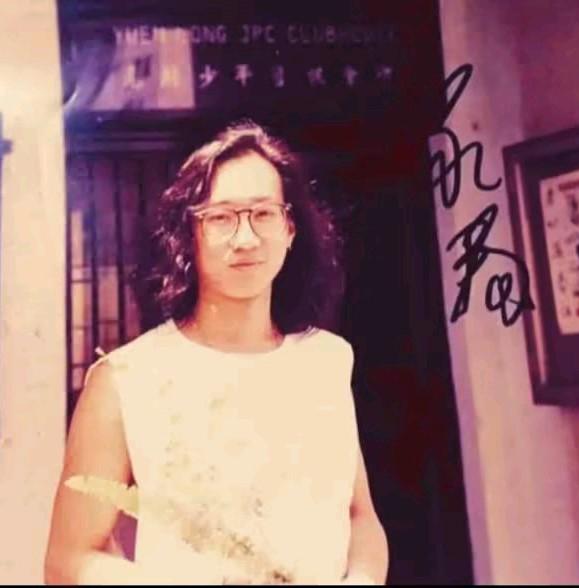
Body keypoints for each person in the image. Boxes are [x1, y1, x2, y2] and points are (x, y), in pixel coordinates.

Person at [44, 120, 389, 585]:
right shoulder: (129, 378)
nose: (245, 238)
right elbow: (69, 560)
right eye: (221, 218)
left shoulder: (325, 360)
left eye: (263, 213)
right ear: (189, 234)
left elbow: (359, 516)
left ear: (290, 228)